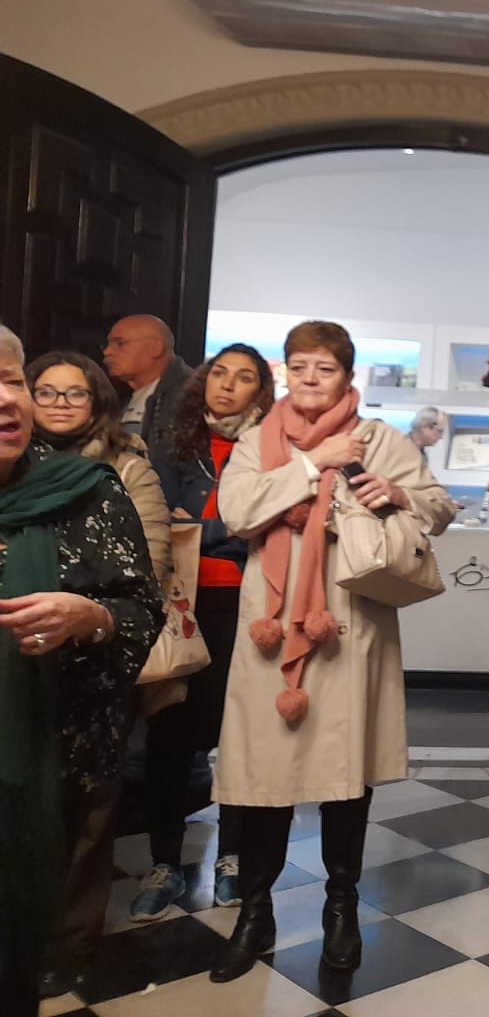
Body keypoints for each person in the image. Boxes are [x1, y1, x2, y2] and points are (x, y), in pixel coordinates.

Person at [208, 321, 453, 984]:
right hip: (271, 625)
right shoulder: (258, 440)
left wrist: (397, 494)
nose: (310, 379)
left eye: (325, 368)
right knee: (263, 775)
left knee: (347, 776)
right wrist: (313, 463)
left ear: (348, 376)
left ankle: (340, 907)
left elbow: (438, 509)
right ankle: (254, 913)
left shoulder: (380, 439)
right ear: (285, 373)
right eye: (299, 367)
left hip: (349, 623)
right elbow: (238, 512)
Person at [0, 325, 165, 1010]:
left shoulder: (85, 489)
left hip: (49, 750)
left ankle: (53, 957)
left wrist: (90, 617)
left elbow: (141, 609)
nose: (5, 399)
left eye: (11, 379)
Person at [135, 344, 275, 922]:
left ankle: (232, 857)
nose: (227, 384)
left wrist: (206, 528)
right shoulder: (173, 443)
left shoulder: (270, 449)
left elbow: (266, 525)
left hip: (248, 606)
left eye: (244, 377)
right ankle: (164, 862)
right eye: (220, 373)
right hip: (180, 604)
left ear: (260, 392)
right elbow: (159, 521)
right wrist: (230, 530)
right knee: (169, 732)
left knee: (239, 734)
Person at [102, 314, 192, 453]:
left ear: (156, 348)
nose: (107, 352)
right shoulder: (115, 395)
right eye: (107, 345)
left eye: (120, 343)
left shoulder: (190, 395)